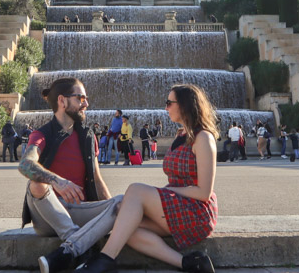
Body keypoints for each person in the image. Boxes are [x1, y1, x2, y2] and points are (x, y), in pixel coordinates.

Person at [75, 84, 218, 273]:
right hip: (178, 205)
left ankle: (105, 259)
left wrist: (164, 192)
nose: (166, 108)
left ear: (184, 105)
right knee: (124, 223)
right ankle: (188, 264)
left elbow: (204, 192)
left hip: (196, 211)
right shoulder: (181, 135)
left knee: (136, 189)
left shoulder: (203, 138)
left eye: (169, 103)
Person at [20, 78, 122, 273]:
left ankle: (69, 251)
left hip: (78, 210)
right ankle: (83, 248)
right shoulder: (42, 134)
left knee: (122, 203)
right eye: (80, 98)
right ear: (62, 101)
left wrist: (113, 213)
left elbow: (97, 180)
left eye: (85, 98)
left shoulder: (88, 136)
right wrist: (57, 182)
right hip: (47, 214)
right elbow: (26, 164)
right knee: (37, 184)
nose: (86, 103)